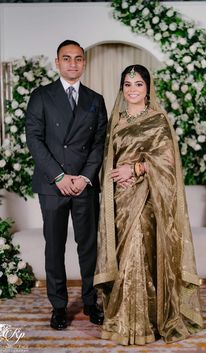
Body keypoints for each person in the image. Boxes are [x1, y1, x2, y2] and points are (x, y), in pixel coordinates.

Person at [94, 65, 203, 345]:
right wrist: (118, 178)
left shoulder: (157, 120)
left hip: (147, 198)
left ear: (148, 88)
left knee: (138, 252)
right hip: (119, 199)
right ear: (122, 89)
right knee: (122, 255)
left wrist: (137, 169)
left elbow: (167, 163)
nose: (133, 89)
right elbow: (108, 161)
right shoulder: (115, 121)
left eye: (139, 84)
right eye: (128, 84)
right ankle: (121, 319)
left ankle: (142, 323)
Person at [26, 40, 107, 330]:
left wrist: (84, 177)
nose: (73, 63)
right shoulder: (41, 96)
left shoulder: (95, 99)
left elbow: (98, 144)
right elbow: (34, 140)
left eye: (78, 59)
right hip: (52, 184)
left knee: (88, 247)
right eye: (67, 58)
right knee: (54, 247)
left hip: (84, 184)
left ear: (84, 63)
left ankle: (89, 301)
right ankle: (59, 307)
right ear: (57, 62)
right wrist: (60, 177)